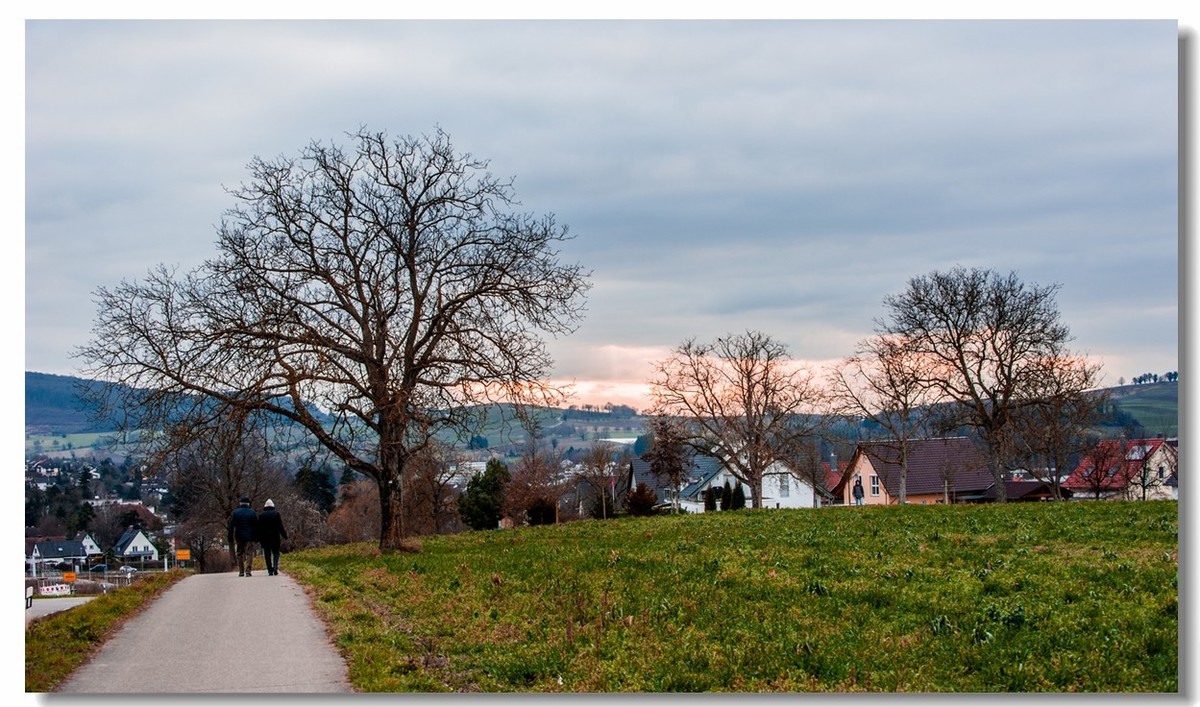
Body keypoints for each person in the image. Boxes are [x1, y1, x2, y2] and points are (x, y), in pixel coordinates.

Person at [227, 496, 258, 576]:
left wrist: (230, 537)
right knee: (249, 553)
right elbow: (256, 526)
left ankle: (241, 571)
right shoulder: (252, 512)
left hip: (239, 536)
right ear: (248, 504)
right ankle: (248, 571)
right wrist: (257, 536)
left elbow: (231, 526)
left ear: (240, 503)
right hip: (250, 536)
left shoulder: (235, 513)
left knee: (239, 553)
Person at [257, 498, 289, 576]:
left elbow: (259, 528)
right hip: (275, 537)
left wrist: (258, 538)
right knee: (276, 553)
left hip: (265, 538)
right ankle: (275, 566)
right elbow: (280, 526)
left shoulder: (261, 515)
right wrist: (284, 535)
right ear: (273, 506)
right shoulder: (276, 514)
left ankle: (270, 570)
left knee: (267, 555)